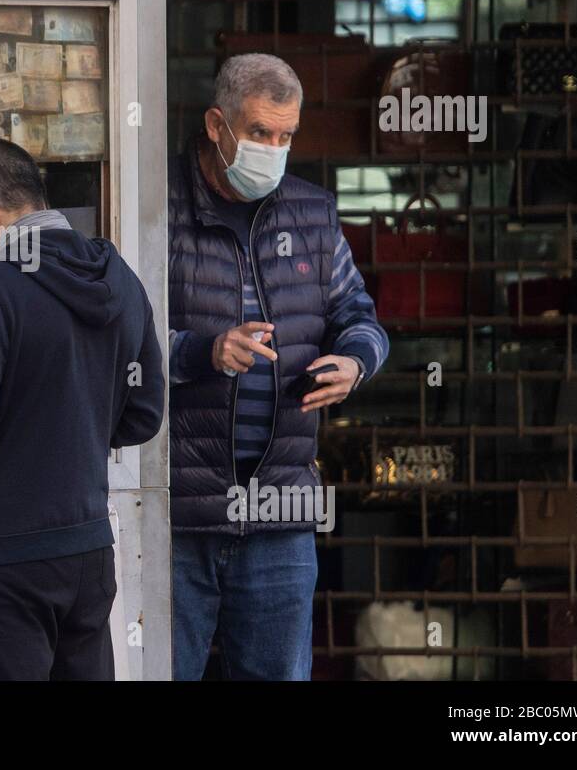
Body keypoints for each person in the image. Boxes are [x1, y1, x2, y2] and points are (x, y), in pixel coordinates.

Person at [169, 53, 389, 681]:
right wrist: (202, 351)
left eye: (286, 135)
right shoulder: (156, 207)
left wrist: (354, 361)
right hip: (180, 512)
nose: (273, 148)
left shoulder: (312, 215)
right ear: (218, 125)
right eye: (260, 132)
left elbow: (360, 315)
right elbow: (118, 342)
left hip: (280, 509)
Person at [0, 137, 165, 680]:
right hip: (88, 549)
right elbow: (145, 412)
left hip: (5, 556)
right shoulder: (120, 279)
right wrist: (77, 426)